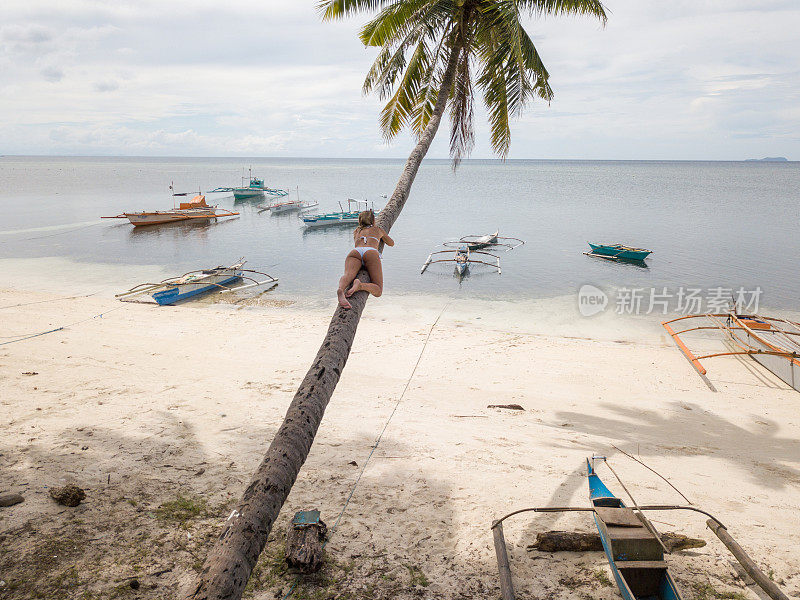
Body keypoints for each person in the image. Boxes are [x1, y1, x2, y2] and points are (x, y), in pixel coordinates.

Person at [337, 209, 394, 309]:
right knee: (378, 290)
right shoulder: (377, 229)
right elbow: (391, 243)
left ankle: (341, 289)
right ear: (373, 221)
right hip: (370, 253)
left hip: (355, 252)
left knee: (348, 275)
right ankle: (360, 286)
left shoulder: (357, 231)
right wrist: (382, 236)